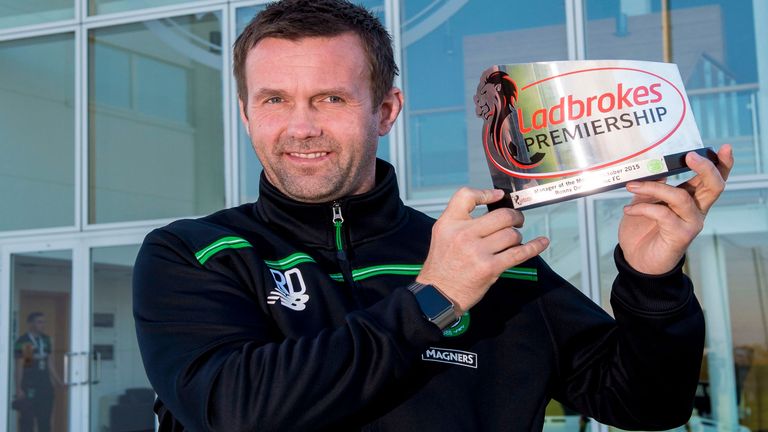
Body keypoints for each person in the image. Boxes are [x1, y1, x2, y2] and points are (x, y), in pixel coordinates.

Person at [132, 0, 734, 430]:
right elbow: (232, 410)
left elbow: (645, 406)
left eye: (331, 98)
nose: (301, 126)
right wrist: (435, 297)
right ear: (245, 113)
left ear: (387, 110)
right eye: (274, 100)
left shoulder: (488, 260)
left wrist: (652, 284)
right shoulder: (194, 253)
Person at [14, 312, 60, 432]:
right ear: (30, 324)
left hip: (45, 387)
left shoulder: (46, 339)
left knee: (45, 421)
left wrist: (59, 381)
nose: (43, 325)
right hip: (29, 385)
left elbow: (50, 363)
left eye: (44, 322)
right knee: (27, 421)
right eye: (39, 322)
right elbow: (21, 365)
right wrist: (18, 388)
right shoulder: (24, 340)